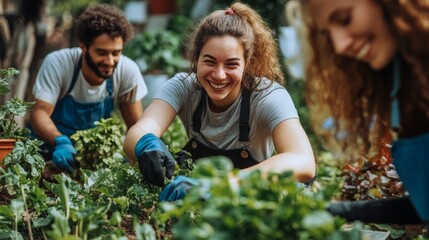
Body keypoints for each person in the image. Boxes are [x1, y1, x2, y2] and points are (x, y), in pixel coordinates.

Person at [123, 2, 316, 200]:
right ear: (196, 58)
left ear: (247, 64)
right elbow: (136, 134)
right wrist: (146, 143)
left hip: (247, 201)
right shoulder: (183, 86)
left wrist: (223, 185)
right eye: (210, 61)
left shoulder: (267, 96)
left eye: (231, 64)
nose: (219, 75)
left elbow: (303, 161)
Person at [295, 0, 429, 226]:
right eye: (328, 33)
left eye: (345, 19)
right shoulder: (402, 86)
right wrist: (339, 210)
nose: (339, 45)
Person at [29, 4, 148, 172]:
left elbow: (136, 127)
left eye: (116, 53)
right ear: (83, 47)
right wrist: (60, 141)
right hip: (51, 149)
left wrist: (144, 154)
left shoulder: (127, 71)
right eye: (101, 52)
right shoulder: (58, 63)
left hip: (91, 158)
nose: (110, 61)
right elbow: (39, 113)